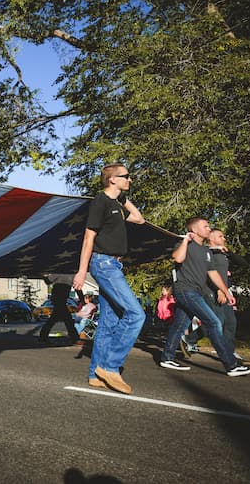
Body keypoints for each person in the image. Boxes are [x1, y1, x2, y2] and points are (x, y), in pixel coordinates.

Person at [73, 164, 146, 395]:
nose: (130, 180)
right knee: (136, 314)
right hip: (103, 263)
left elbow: (139, 219)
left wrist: (123, 199)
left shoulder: (115, 203)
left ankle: (96, 373)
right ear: (112, 179)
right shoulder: (100, 202)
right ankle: (110, 367)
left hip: (113, 263)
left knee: (108, 322)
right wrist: (82, 271)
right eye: (126, 177)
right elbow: (88, 239)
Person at [158, 218, 250, 376]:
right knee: (213, 322)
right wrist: (185, 240)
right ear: (194, 230)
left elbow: (213, 274)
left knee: (179, 325)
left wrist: (226, 292)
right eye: (205, 226)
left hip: (195, 291)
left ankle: (167, 357)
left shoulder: (206, 251)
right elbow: (177, 258)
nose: (208, 228)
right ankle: (231, 365)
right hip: (185, 290)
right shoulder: (186, 244)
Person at [208, 228, 247, 361]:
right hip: (214, 292)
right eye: (220, 236)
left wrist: (229, 251)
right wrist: (220, 291)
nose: (224, 239)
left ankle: (229, 351)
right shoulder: (209, 253)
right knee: (217, 322)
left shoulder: (223, 254)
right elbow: (211, 273)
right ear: (211, 238)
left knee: (230, 322)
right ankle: (190, 338)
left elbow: (243, 263)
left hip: (224, 290)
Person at [39, 275, 80, 345]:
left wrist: (44, 276)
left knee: (55, 319)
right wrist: (81, 299)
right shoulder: (71, 276)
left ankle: (43, 336)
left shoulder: (58, 273)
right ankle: (75, 338)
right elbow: (77, 287)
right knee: (68, 320)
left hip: (58, 299)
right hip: (60, 300)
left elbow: (48, 281)